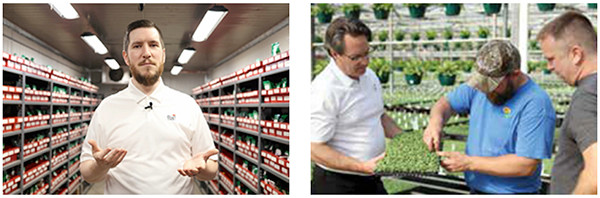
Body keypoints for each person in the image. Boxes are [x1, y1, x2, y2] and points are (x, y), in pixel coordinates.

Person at [80, 19, 218, 194]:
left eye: (153, 45)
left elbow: (211, 170)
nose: (146, 53)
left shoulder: (187, 106)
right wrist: (100, 166)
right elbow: (87, 174)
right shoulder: (107, 108)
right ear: (126, 57)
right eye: (137, 46)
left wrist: (202, 168)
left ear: (163, 54)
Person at [423, 40, 556, 194]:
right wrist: (435, 124)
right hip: (476, 190)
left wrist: (469, 163)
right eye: (482, 82)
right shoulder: (479, 87)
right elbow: (445, 104)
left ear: (515, 74)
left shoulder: (536, 103)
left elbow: (525, 164)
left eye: (492, 84)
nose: (485, 89)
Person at [310, 17, 401, 194]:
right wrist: (362, 166)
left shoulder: (370, 76)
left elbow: (379, 116)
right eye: (356, 57)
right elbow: (314, 148)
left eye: (367, 53)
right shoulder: (324, 90)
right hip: (338, 184)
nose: (365, 62)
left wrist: (406, 140)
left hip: (371, 179)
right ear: (334, 54)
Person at [537, 11, 597, 194]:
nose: (549, 67)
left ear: (576, 54)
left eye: (551, 59)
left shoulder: (587, 97)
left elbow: (596, 175)